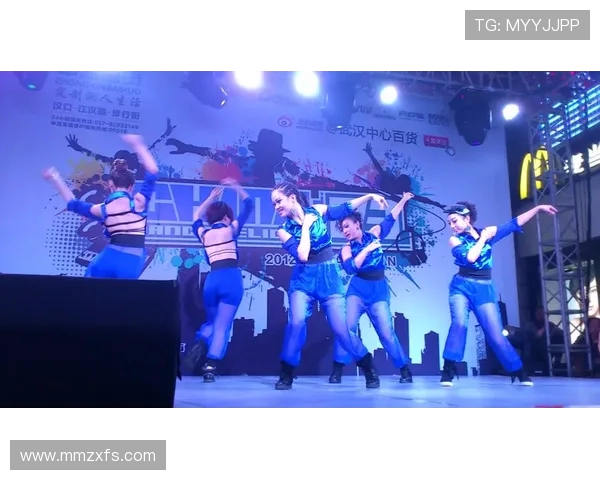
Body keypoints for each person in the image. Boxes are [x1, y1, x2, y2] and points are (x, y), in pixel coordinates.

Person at [271, 181, 389, 390]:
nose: (276, 207)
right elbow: (302, 255)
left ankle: (368, 366)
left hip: (329, 277)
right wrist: (305, 226)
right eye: (274, 204)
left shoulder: (316, 211)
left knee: (341, 329)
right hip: (303, 280)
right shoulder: (283, 230)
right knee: (296, 324)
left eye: (278, 201)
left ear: (292, 198)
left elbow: (344, 209)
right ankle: (287, 373)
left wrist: (370, 196)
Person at [441, 201, 558, 387]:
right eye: (449, 223)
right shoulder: (455, 240)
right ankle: (448, 369)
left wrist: (537, 209)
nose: (452, 226)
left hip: (484, 288)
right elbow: (471, 258)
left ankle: (518, 371)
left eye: (454, 221)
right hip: (461, 287)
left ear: (467, 218)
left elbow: (513, 224)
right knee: (459, 324)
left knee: (496, 334)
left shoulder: (487, 233)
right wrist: (483, 238)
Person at [42, 134, 159, 279]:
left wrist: (55, 178)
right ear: (132, 186)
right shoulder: (139, 203)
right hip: (133, 260)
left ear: (110, 185)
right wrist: (138, 144)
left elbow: (73, 204)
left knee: (92, 288)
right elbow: (153, 172)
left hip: (110, 257)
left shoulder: (103, 209)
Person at [330, 191, 415, 384]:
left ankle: (404, 369)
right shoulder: (346, 249)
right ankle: (337, 369)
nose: (345, 231)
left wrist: (403, 199)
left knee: (386, 332)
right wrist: (367, 250)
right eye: (342, 229)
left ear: (357, 224)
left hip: (378, 290)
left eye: (347, 226)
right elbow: (351, 268)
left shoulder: (374, 234)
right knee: (347, 329)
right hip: (357, 290)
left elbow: (391, 218)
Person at [184, 178, 254, 382]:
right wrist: (236, 186)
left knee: (213, 322)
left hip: (211, 281)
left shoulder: (204, 234)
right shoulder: (231, 229)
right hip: (230, 279)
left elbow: (195, 217)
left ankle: (202, 339)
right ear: (226, 217)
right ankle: (210, 365)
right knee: (223, 326)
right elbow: (249, 204)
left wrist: (210, 199)